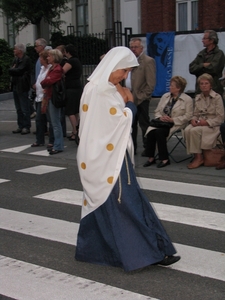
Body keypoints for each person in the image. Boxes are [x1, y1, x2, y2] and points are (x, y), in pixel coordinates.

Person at [75, 46, 180, 272]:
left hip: (103, 155)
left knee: (121, 203)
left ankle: (141, 250)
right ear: (112, 67)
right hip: (108, 157)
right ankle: (150, 252)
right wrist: (131, 103)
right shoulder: (103, 90)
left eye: (127, 73)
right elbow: (120, 121)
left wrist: (124, 98)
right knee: (126, 202)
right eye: (123, 71)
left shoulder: (96, 87)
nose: (124, 76)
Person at [143, 76, 193, 168]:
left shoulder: (187, 99)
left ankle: (164, 159)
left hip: (176, 123)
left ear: (178, 88)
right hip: (162, 122)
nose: (169, 87)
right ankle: (151, 157)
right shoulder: (165, 96)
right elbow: (157, 111)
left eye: (171, 86)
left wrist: (172, 120)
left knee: (159, 132)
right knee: (151, 132)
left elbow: (188, 116)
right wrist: (160, 117)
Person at [184, 73, 224, 169]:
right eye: (201, 83)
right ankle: (196, 155)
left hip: (213, 125)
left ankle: (198, 158)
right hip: (200, 122)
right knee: (187, 129)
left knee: (194, 131)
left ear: (210, 85)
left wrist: (205, 123)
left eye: (206, 83)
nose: (204, 85)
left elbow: (220, 118)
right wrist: (193, 120)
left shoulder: (217, 97)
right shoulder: (198, 97)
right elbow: (195, 114)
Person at [126, 38, 156, 156]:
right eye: (132, 47)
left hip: (141, 98)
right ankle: (132, 146)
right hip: (128, 98)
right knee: (130, 125)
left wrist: (142, 96)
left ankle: (147, 147)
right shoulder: (128, 61)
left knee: (144, 124)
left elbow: (151, 83)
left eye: (136, 47)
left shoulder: (148, 61)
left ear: (141, 48)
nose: (133, 49)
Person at [41, 49, 64, 155]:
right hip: (50, 96)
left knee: (55, 123)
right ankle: (56, 143)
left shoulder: (57, 69)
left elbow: (48, 81)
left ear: (54, 57)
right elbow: (46, 80)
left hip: (54, 97)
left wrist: (45, 81)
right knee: (53, 122)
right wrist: (45, 81)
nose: (47, 58)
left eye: (49, 56)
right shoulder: (52, 68)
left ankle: (58, 145)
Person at [189, 30, 225, 97]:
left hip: (214, 90)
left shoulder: (219, 54)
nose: (202, 40)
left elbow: (213, 69)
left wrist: (199, 69)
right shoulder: (201, 53)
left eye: (204, 38)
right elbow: (191, 68)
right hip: (199, 91)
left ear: (212, 40)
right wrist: (203, 65)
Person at [9, 43, 32, 135]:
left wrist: (13, 70)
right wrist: (13, 70)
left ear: (20, 50)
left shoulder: (26, 59)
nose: (14, 50)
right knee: (18, 108)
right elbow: (13, 70)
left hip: (22, 85)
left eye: (15, 49)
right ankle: (20, 125)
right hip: (15, 84)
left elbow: (19, 70)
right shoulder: (16, 59)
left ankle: (26, 126)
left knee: (24, 107)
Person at [63, 44, 83, 144]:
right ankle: (77, 129)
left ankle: (75, 131)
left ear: (68, 52)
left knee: (70, 110)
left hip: (71, 88)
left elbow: (62, 71)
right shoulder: (77, 61)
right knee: (76, 110)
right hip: (77, 87)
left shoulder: (71, 61)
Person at [31, 50, 51, 147]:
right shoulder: (42, 68)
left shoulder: (49, 69)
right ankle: (39, 140)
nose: (39, 60)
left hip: (46, 97)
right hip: (39, 97)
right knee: (39, 119)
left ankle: (52, 140)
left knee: (50, 119)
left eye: (41, 58)